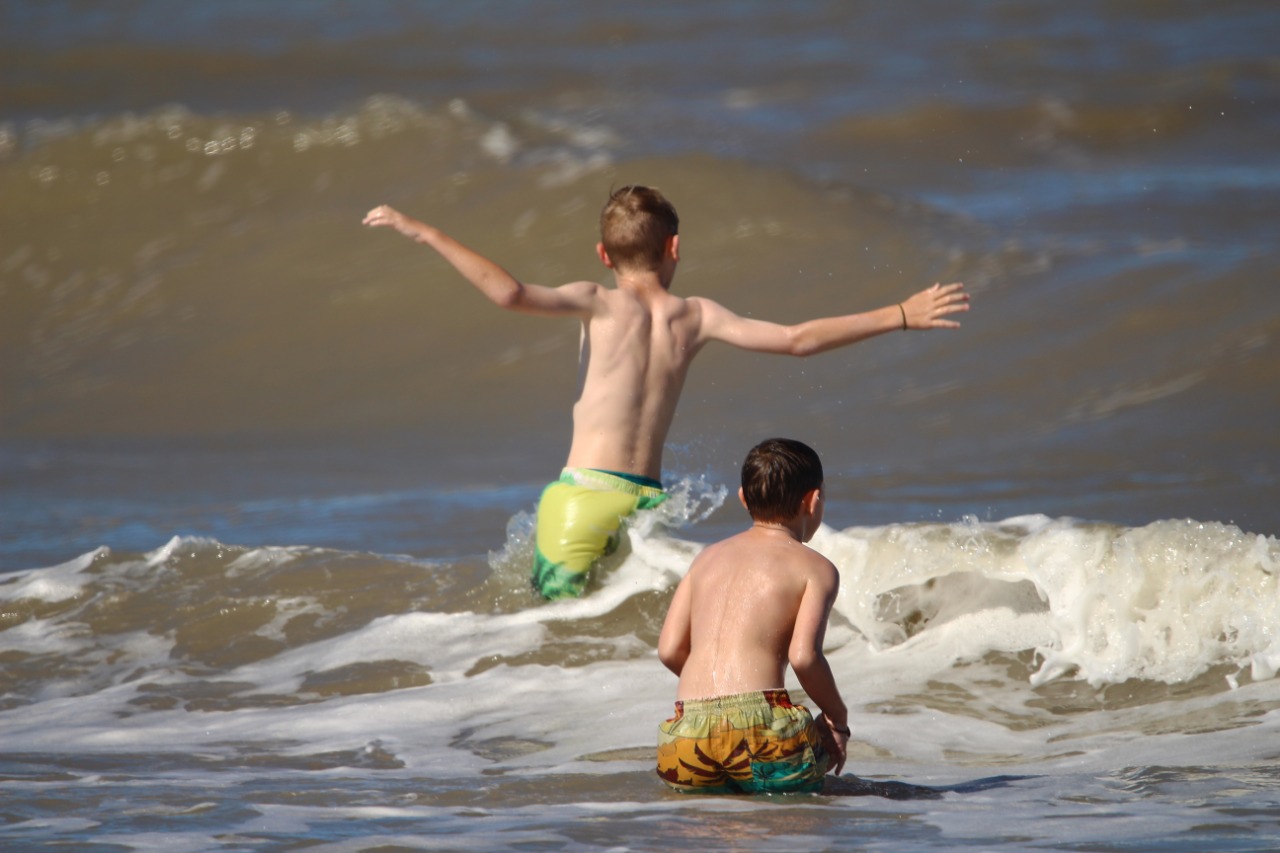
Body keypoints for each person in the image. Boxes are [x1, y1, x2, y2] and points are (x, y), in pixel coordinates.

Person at [363, 186, 968, 599]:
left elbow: (510, 293)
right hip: (650, 506)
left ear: (603, 255)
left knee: (558, 634)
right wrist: (900, 313)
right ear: (674, 247)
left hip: (584, 496)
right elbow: (797, 339)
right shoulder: (696, 315)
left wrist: (427, 232)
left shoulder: (596, 300)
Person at [656, 437, 846, 794]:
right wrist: (837, 719)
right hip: (762, 729)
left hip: (685, 734)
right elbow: (804, 657)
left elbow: (669, 650)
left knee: (715, 824)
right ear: (813, 500)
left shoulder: (705, 560)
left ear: (743, 497)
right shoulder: (816, 568)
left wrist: (716, 696)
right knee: (803, 814)